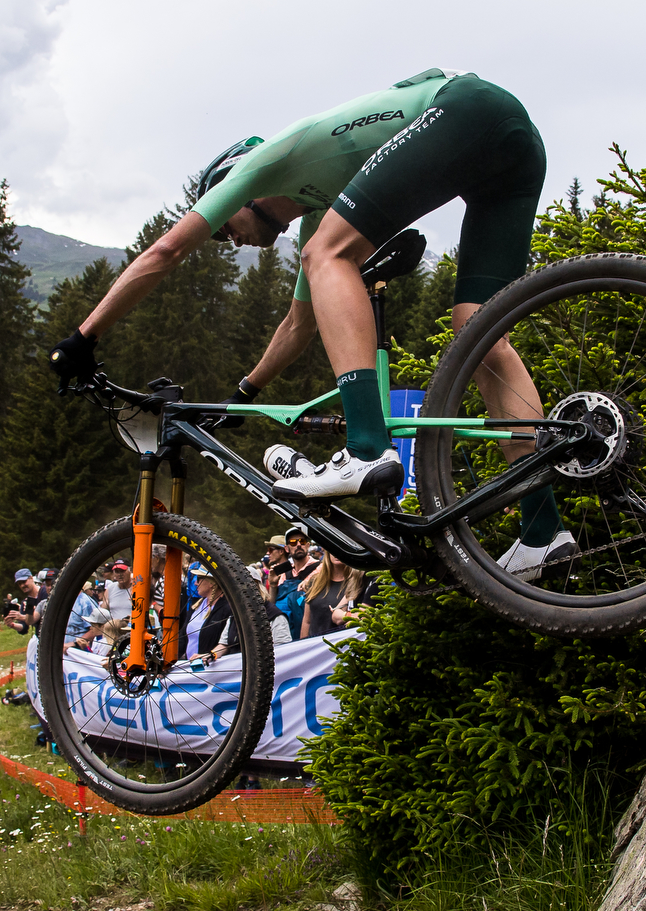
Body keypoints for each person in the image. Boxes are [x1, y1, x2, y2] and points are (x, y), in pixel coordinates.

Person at [48, 69, 571, 576]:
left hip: (463, 109)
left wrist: (81, 338)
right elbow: (299, 326)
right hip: (513, 139)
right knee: (479, 334)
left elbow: (165, 250)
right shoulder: (325, 214)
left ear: (233, 187)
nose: (228, 240)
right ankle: (544, 530)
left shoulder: (263, 161)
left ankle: (367, 449)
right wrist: (245, 394)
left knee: (329, 256)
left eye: (223, 225)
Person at [300, 549, 371, 638]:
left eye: (341, 549)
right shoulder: (315, 582)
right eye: (333, 548)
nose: (337, 553)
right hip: (314, 646)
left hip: (341, 646)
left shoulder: (358, 583)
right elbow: (307, 621)